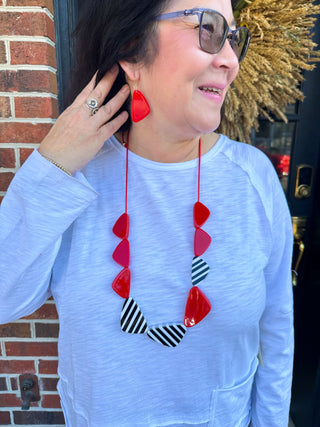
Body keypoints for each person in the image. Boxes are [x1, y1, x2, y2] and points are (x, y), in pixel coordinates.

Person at [0, 0, 294, 426]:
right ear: (133, 49)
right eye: (208, 28)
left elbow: (277, 330)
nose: (230, 60)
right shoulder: (72, 178)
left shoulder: (254, 180)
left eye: (233, 38)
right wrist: (51, 167)